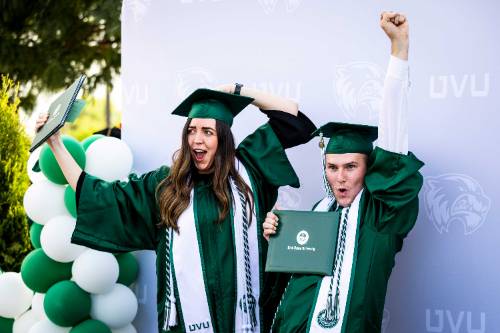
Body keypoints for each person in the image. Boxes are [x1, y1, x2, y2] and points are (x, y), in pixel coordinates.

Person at [35, 85, 316, 332]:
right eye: (192, 130)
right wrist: (55, 144)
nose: (197, 139)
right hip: (186, 323)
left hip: (252, 317)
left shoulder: (251, 169)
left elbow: (293, 119)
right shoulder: (165, 186)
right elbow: (100, 196)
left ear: (224, 138)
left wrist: (236, 90)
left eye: (208, 131)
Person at [263, 12, 424, 332]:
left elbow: (394, 140)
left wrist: (399, 51)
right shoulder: (319, 212)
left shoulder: (381, 215)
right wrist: (276, 237)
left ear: (370, 169)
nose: (340, 177)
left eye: (351, 166)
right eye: (332, 167)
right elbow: (294, 287)